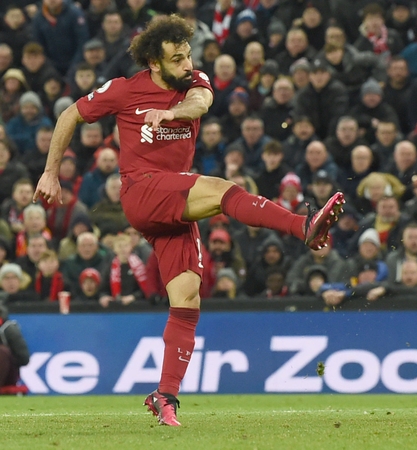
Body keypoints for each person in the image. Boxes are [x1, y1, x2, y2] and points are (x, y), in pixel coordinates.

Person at [33, 15, 344, 427]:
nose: (187, 63)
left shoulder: (194, 82)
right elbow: (70, 113)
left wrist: (173, 114)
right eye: (176, 58)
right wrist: (51, 171)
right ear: (154, 63)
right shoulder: (126, 90)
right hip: (142, 191)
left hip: (173, 202)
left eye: (188, 55)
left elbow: (202, 103)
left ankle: (165, 397)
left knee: (187, 298)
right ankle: (302, 226)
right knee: (219, 189)